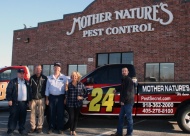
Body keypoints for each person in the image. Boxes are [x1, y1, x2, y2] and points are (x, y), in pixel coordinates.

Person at [6, 69, 32, 136]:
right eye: (20, 73)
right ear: (17, 74)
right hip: (15, 103)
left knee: (22, 117)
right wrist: (9, 100)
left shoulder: (27, 82)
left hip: (23, 104)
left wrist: (29, 101)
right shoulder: (13, 81)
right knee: (13, 117)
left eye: (23, 73)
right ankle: (10, 131)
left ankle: (21, 129)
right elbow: (8, 91)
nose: (21, 74)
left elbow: (29, 92)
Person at [45, 62, 68, 134]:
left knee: (60, 113)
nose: (56, 68)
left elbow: (66, 88)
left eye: (58, 67)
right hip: (51, 97)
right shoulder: (49, 77)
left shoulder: (64, 78)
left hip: (61, 97)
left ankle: (60, 128)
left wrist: (65, 98)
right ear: (53, 68)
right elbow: (47, 89)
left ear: (60, 69)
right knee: (51, 113)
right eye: (55, 67)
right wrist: (46, 99)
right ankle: (51, 128)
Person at [111, 68, 134, 136]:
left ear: (128, 72)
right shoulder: (124, 80)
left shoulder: (129, 80)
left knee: (129, 118)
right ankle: (119, 133)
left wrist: (123, 101)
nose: (124, 72)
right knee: (121, 117)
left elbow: (128, 92)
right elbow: (121, 88)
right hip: (124, 102)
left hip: (128, 102)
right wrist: (116, 90)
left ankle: (129, 134)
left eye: (125, 71)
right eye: (123, 71)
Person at [65, 71, 86, 136]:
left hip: (78, 104)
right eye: (73, 76)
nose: (74, 77)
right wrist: (66, 89)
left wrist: (81, 97)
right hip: (70, 103)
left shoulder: (81, 84)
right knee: (71, 117)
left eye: (75, 76)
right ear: (71, 77)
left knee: (76, 118)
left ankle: (73, 130)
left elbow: (86, 93)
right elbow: (66, 94)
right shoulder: (69, 84)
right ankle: (71, 129)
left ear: (77, 77)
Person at [29, 65, 47, 133]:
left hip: (41, 98)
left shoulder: (44, 78)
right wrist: (29, 99)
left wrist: (46, 98)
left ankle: (39, 127)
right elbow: (29, 89)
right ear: (35, 69)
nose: (38, 70)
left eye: (39, 69)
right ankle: (33, 127)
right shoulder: (31, 78)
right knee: (32, 113)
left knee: (41, 113)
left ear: (41, 69)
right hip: (33, 99)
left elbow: (46, 89)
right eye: (36, 68)